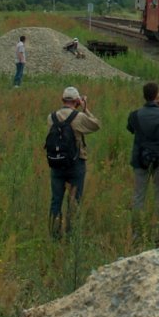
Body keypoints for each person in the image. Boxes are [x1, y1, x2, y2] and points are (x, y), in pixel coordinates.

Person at [127, 82, 159, 244]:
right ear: (157, 96)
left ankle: (136, 235)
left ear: (144, 96)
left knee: (138, 196)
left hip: (140, 159)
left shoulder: (135, 115)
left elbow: (130, 129)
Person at [47, 86, 101, 238]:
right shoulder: (79, 117)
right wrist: (86, 108)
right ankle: (71, 235)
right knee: (74, 201)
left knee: (56, 200)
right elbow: (96, 125)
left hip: (56, 163)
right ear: (77, 101)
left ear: (62, 99)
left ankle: (55, 235)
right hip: (76, 163)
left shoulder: (51, 117)